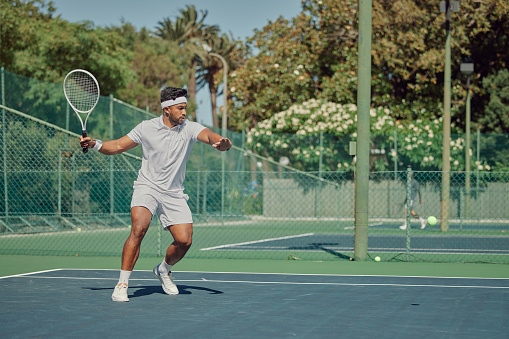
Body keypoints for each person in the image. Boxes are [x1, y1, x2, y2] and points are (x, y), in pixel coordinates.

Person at [80, 86, 232, 302]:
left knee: (184, 241)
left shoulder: (189, 128)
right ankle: (122, 284)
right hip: (147, 187)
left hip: (174, 193)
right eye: (180, 108)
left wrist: (221, 142)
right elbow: (116, 146)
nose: (184, 112)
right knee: (139, 228)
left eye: (185, 108)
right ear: (167, 109)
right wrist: (95, 144)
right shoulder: (146, 128)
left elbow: (209, 135)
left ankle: (163, 270)